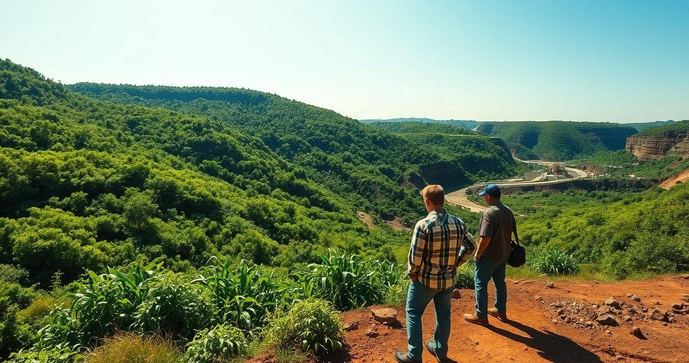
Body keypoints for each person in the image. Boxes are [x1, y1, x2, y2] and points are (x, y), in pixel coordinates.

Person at [395, 185, 467, 363]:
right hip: (448, 280)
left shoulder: (423, 225)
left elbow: (415, 256)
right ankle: (440, 351)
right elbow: (471, 245)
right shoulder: (459, 223)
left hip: (425, 281)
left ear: (428, 202)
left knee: (413, 313)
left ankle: (414, 356)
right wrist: (458, 262)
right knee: (443, 314)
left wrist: (413, 273)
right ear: (442, 200)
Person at [464, 184, 517, 325]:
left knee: (480, 283)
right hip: (504, 254)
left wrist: (478, 253)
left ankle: (481, 315)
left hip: (490, 256)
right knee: (500, 282)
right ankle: (500, 310)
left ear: (488, 196)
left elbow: (485, 237)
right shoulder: (508, 211)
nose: (483, 198)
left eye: (483, 196)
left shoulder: (489, 213)